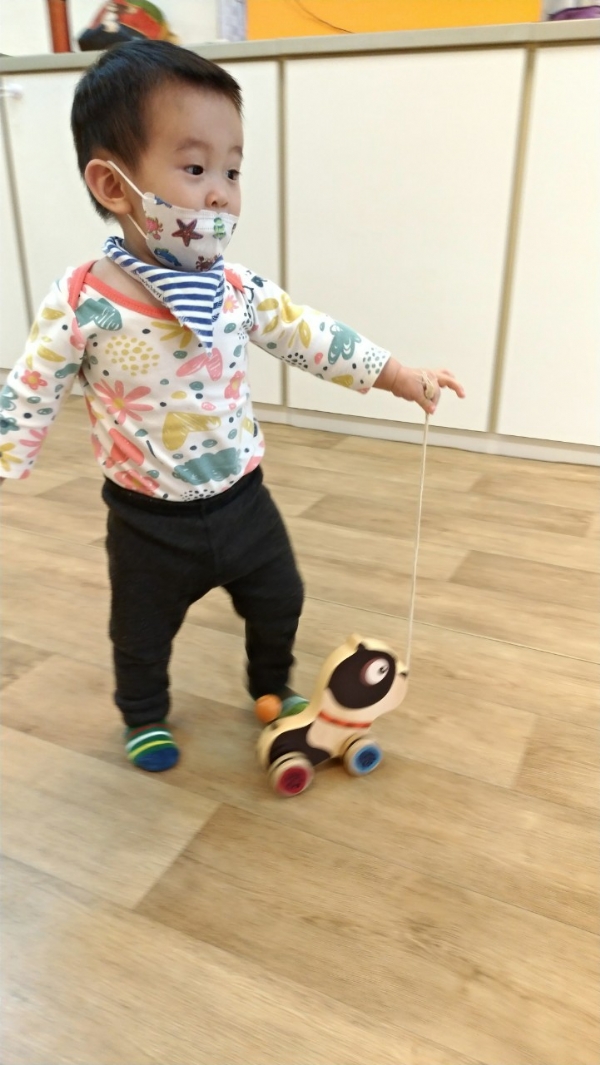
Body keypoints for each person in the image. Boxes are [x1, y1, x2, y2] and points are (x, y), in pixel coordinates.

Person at [0, 40, 465, 773]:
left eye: (233, 171)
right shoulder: (83, 298)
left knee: (281, 596)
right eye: (195, 169)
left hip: (244, 500)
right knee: (140, 632)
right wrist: (9, 455)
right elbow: (31, 384)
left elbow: (313, 335)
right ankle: (144, 714)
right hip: (147, 522)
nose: (220, 193)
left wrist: (399, 375)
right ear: (113, 184)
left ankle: (270, 683)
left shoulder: (236, 288)